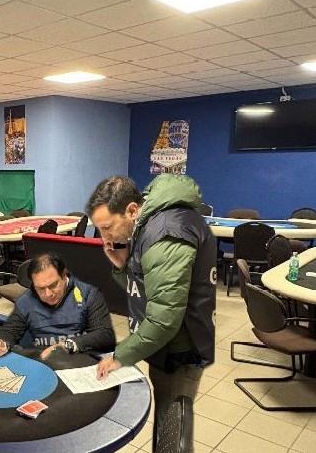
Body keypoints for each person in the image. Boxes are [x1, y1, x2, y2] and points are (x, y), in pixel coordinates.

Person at [87, 174, 216, 445]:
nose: (104, 237)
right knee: (167, 423)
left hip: (179, 351)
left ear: (132, 210)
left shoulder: (166, 233)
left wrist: (119, 356)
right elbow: (147, 290)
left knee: (172, 433)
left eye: (107, 227)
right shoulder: (149, 225)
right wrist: (122, 265)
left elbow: (163, 319)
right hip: (166, 346)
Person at [0, 252, 115, 360]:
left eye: (53, 285)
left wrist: (67, 345)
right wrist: (2, 342)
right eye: (40, 288)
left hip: (79, 361)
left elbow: (105, 334)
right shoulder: (26, 301)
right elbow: (10, 331)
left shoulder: (89, 294)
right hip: (43, 361)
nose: (48, 294)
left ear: (64, 276)